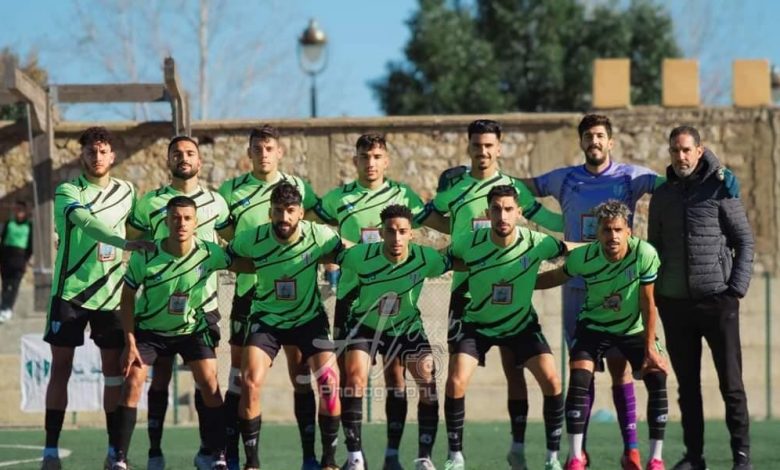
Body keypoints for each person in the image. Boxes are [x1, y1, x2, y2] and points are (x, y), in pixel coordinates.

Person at [520, 114, 663, 469]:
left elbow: (674, 182)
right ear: (581, 142)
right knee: (582, 371)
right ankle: (578, 454)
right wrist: (479, 177)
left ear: (610, 141)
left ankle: (632, 450)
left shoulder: (631, 177)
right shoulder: (565, 178)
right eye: (588, 136)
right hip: (577, 288)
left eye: (600, 135)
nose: (594, 141)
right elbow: (522, 187)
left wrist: (712, 171)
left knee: (620, 370)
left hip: (620, 287)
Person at [429, 119, 563, 469]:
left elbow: (550, 221)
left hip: (509, 288)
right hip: (466, 295)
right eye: (477, 145)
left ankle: (518, 447)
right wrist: (457, 233)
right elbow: (424, 216)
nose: (483, 151)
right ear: (469, 147)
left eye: (489, 145)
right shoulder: (456, 188)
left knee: (516, 372)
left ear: (499, 148)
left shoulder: (512, 189)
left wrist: (588, 226)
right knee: (458, 376)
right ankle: (455, 455)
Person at [314, 133, 437, 470]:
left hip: (395, 303)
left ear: (387, 160)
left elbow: (435, 221)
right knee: (351, 379)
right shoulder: (338, 198)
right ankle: (353, 455)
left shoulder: (404, 196)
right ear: (355, 160)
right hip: (352, 301)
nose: (371, 163)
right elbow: (309, 223)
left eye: (377, 156)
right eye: (365, 156)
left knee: (396, 379)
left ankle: (392, 456)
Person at [40, 127, 154, 470]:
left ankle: (113, 452)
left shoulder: (127, 191)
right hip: (70, 294)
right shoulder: (68, 191)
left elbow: (140, 226)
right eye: (91, 151)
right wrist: (125, 244)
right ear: (82, 155)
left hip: (111, 295)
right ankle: (50, 452)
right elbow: (87, 223)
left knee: (114, 373)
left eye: (103, 151)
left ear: (113, 155)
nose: (97, 157)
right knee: (61, 368)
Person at [112, 196, 252, 470]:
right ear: (166, 221)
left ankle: (219, 455)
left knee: (210, 383)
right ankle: (119, 458)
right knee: (132, 382)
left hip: (191, 331)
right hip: (151, 331)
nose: (181, 223)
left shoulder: (209, 252)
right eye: (175, 218)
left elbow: (244, 265)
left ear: (196, 223)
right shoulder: (146, 254)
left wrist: (281, 259)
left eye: (187, 218)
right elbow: (126, 297)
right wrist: (129, 342)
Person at [648, 126, 754, 470]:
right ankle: (694, 458)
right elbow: (654, 249)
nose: (680, 157)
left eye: (686, 150)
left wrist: (734, 290)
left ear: (699, 151)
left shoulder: (720, 189)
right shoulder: (662, 196)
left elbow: (744, 241)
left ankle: (741, 458)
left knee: (731, 385)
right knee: (687, 388)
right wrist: (658, 294)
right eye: (675, 150)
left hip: (718, 302)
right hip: (674, 305)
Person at [537, 200, 669, 470]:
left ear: (629, 231)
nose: (613, 236)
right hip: (593, 327)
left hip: (632, 328)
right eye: (607, 230)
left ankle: (655, 459)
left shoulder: (644, 253)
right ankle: (576, 457)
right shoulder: (583, 258)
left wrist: (650, 348)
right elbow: (556, 277)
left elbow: (648, 303)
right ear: (597, 233)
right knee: (579, 378)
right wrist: (523, 282)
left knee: (657, 377)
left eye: (618, 229)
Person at [218, 124, 321, 470]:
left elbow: (312, 226)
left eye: (269, 148)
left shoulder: (297, 187)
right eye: (257, 148)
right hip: (249, 295)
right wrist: (257, 262)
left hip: (293, 297)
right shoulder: (230, 190)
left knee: (301, 374)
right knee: (240, 377)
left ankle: (310, 456)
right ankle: (231, 454)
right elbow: (226, 236)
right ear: (249, 152)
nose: (263, 154)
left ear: (280, 152)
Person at [444, 185, 569, 470]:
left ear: (519, 213)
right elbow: (440, 258)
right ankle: (455, 456)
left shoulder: (537, 241)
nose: (502, 215)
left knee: (552, 381)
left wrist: (605, 247)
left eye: (509, 209)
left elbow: (569, 250)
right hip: (477, 325)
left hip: (520, 324)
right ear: (488, 213)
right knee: (455, 381)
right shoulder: (468, 242)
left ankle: (550, 457)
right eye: (496, 209)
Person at [126, 135, 231, 470]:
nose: (183, 158)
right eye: (177, 153)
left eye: (190, 153)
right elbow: (130, 239)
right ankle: (154, 452)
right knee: (159, 379)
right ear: (168, 160)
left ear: (199, 161)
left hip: (203, 306)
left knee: (206, 379)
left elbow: (233, 244)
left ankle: (209, 451)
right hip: (158, 307)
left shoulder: (217, 202)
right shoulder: (150, 202)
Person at [227, 182, 342, 470]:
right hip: (267, 320)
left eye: (290, 211)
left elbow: (347, 252)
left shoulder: (320, 235)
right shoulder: (252, 239)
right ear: (270, 213)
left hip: (309, 319)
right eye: (278, 211)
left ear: (301, 212)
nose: (284, 217)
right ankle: (252, 463)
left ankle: (328, 462)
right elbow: (226, 256)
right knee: (249, 381)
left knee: (329, 383)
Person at [335, 204, 447, 470]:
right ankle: (355, 458)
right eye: (391, 231)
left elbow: (462, 259)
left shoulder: (426, 258)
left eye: (402, 231)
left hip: (406, 327)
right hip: (366, 327)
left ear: (412, 234)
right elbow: (327, 252)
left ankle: (422, 458)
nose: (396, 238)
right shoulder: (360, 255)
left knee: (427, 382)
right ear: (381, 233)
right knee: (354, 379)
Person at [0, 200, 33, 322]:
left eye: (21, 210)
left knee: (14, 286)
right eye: (16, 209)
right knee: (5, 285)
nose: (19, 212)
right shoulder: (9, 223)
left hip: (20, 259)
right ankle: (3, 306)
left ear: (25, 212)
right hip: (6, 259)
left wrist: (26, 261)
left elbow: (30, 246)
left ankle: (8, 308)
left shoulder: (29, 226)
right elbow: (3, 241)